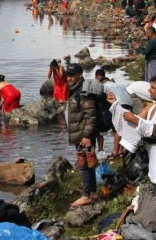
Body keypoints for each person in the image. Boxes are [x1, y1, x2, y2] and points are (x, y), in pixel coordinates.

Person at [109, 74, 156, 194]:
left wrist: (134, 120)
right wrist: (115, 104)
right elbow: (131, 123)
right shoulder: (153, 106)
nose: (148, 90)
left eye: (153, 87)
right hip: (154, 161)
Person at [65, 64, 100, 206]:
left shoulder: (83, 92)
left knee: (84, 164)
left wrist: (86, 136)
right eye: (68, 75)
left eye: (72, 75)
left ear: (80, 74)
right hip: (80, 131)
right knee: (88, 162)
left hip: (83, 133)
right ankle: (93, 192)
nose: (69, 78)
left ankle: (86, 195)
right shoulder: (75, 90)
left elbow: (90, 115)